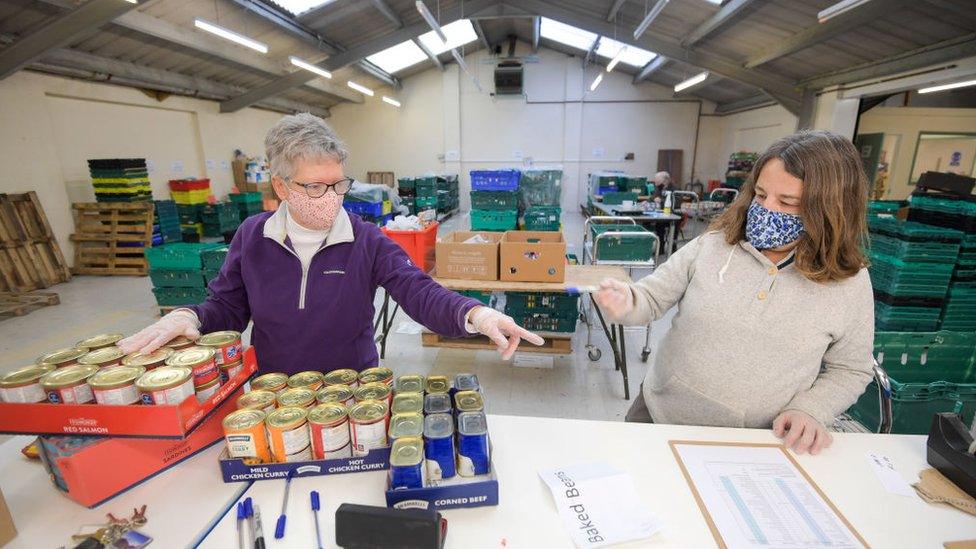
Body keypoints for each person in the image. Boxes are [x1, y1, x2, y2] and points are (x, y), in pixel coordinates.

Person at [119, 113, 544, 372]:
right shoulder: (253, 236)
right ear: (281, 186)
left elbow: (417, 291)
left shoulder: (366, 240)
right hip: (274, 387)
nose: (332, 197)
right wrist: (188, 318)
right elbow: (228, 308)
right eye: (315, 186)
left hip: (354, 386)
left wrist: (476, 314)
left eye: (338, 183)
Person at [594, 130, 874, 455]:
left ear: (831, 209)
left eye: (787, 202)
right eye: (760, 194)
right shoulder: (713, 245)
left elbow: (851, 369)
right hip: (659, 417)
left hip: (759, 442)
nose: (766, 209)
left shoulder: (847, 283)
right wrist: (627, 301)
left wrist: (811, 409)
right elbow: (651, 299)